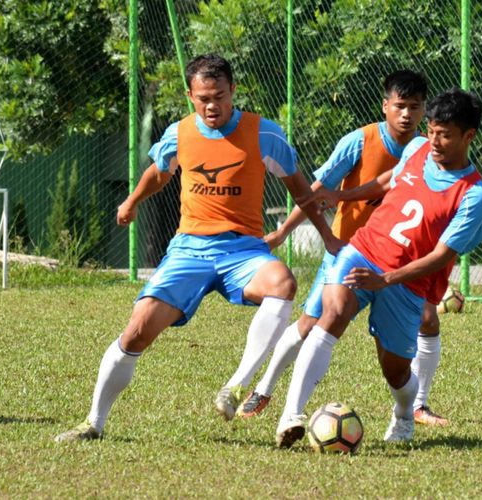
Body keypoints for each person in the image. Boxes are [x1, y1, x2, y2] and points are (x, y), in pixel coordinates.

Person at [55, 53, 341, 442]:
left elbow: (302, 191)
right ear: (190, 95)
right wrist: (132, 200)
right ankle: (93, 423)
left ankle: (236, 386)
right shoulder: (179, 133)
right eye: (203, 97)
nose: (212, 105)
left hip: (243, 250)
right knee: (138, 329)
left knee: (282, 282)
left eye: (220, 96)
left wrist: (326, 236)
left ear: (233, 91)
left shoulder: (265, 134)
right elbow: (159, 172)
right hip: (189, 250)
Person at [275, 87, 482, 448]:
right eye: (433, 131)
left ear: (469, 137)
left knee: (395, 372)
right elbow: (388, 181)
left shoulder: (473, 195)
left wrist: (385, 279)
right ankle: (291, 415)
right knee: (333, 312)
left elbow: (440, 256)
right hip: (363, 251)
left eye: (446, 135)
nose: (435, 141)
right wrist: (340, 196)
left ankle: (405, 414)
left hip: (406, 284)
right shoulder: (417, 148)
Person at [238, 70, 452, 428]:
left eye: (415, 107)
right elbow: (317, 190)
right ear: (385, 106)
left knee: (427, 321)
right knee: (311, 323)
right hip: (351, 251)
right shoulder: (360, 142)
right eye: (399, 106)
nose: (407, 115)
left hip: (402, 260)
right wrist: (281, 234)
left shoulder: (427, 151)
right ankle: (264, 388)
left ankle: (418, 406)